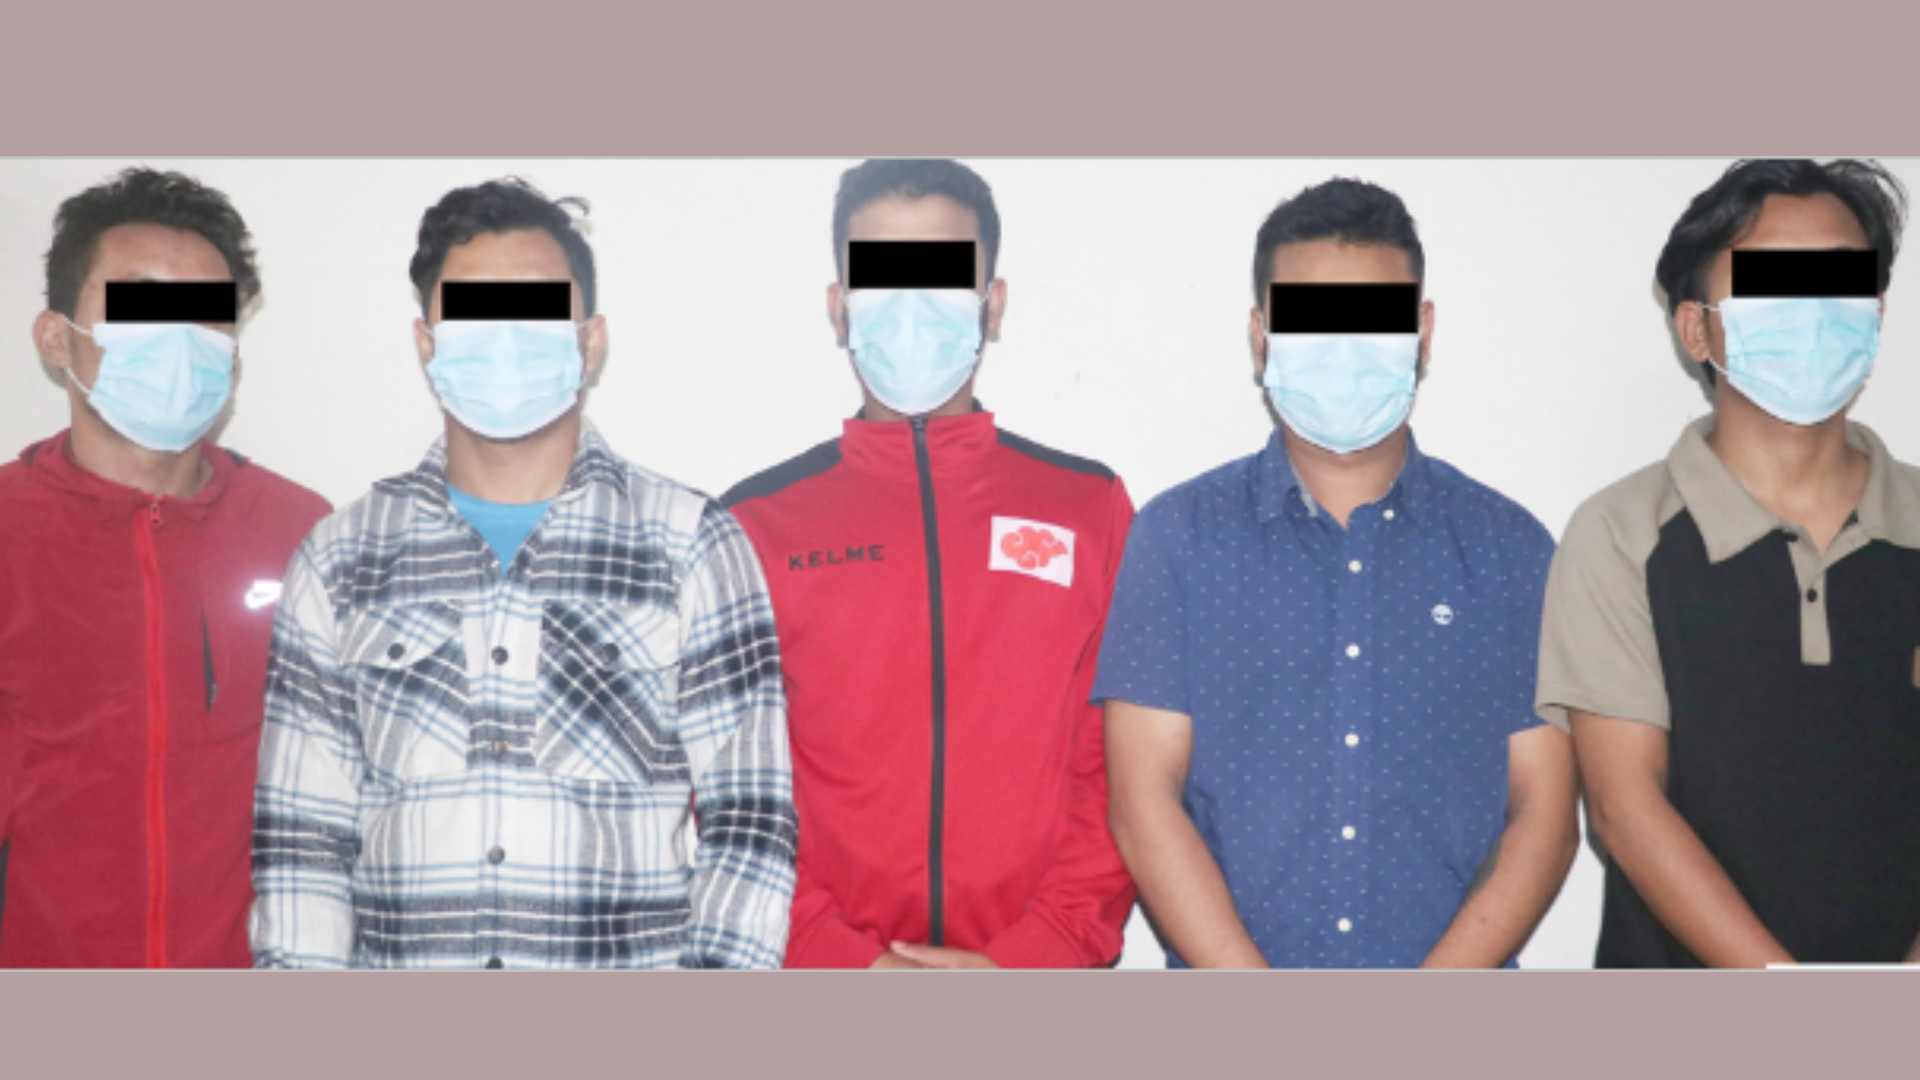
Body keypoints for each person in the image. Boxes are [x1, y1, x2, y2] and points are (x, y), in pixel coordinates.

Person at [249, 178, 795, 969]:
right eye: (474, 312)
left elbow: (749, 822)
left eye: (535, 311)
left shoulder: (692, 544)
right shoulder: (340, 558)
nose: (504, 339)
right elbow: (303, 842)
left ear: (590, 341)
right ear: (426, 342)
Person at [1095, 177, 1578, 968]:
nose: (1345, 350)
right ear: (1261, 336)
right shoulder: (1178, 539)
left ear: (1423, 332)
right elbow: (1143, 803)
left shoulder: (1509, 548)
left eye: (1374, 319)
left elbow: (1546, 815)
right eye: (1315, 321)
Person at [722, 158, 1136, 969]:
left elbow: (1121, 768)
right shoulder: (755, 525)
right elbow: (733, 787)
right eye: (882, 279)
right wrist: (841, 961)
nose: (910, 306)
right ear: (839, 308)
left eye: (941, 278)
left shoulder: (1087, 509)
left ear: (993, 304)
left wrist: (1034, 958)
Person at [1537, 158, 1920, 967]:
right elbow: (1625, 807)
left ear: (1877, 313)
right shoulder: (1620, 534)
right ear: (1697, 329)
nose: (1811, 314)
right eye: (1774, 285)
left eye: (1839, 283)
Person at [0, 167, 329, 967]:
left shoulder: (302, 532)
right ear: (55, 338)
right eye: (140, 307)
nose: (177, 340)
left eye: (206, 317)